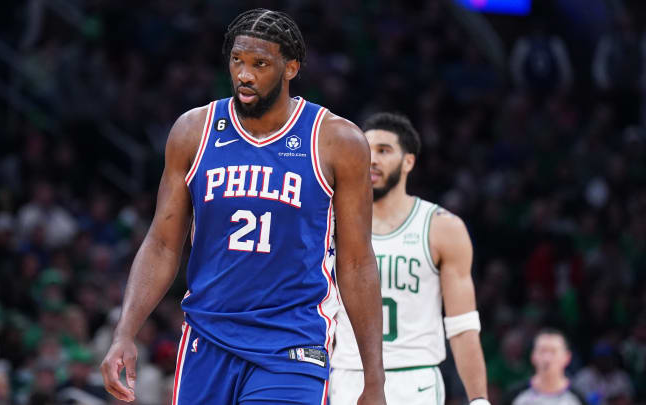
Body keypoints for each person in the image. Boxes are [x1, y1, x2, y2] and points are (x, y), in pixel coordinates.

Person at [100, 8, 386, 405]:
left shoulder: (337, 141)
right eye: (238, 61)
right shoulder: (193, 131)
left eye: (260, 63)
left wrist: (375, 378)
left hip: (292, 345)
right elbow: (163, 244)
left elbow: (356, 262)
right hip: (207, 339)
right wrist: (124, 332)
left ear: (291, 68)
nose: (245, 75)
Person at [330, 112, 489, 405]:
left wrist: (479, 399)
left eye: (384, 151)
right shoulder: (331, 225)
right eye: (367, 151)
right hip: (347, 375)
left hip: (415, 379)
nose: (372, 160)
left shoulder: (443, 227)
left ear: (409, 162)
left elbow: (463, 326)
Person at [504, 329, 587, 405]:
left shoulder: (578, 398)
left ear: (567, 357)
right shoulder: (515, 396)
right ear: (533, 356)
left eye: (553, 351)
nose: (547, 358)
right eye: (542, 351)